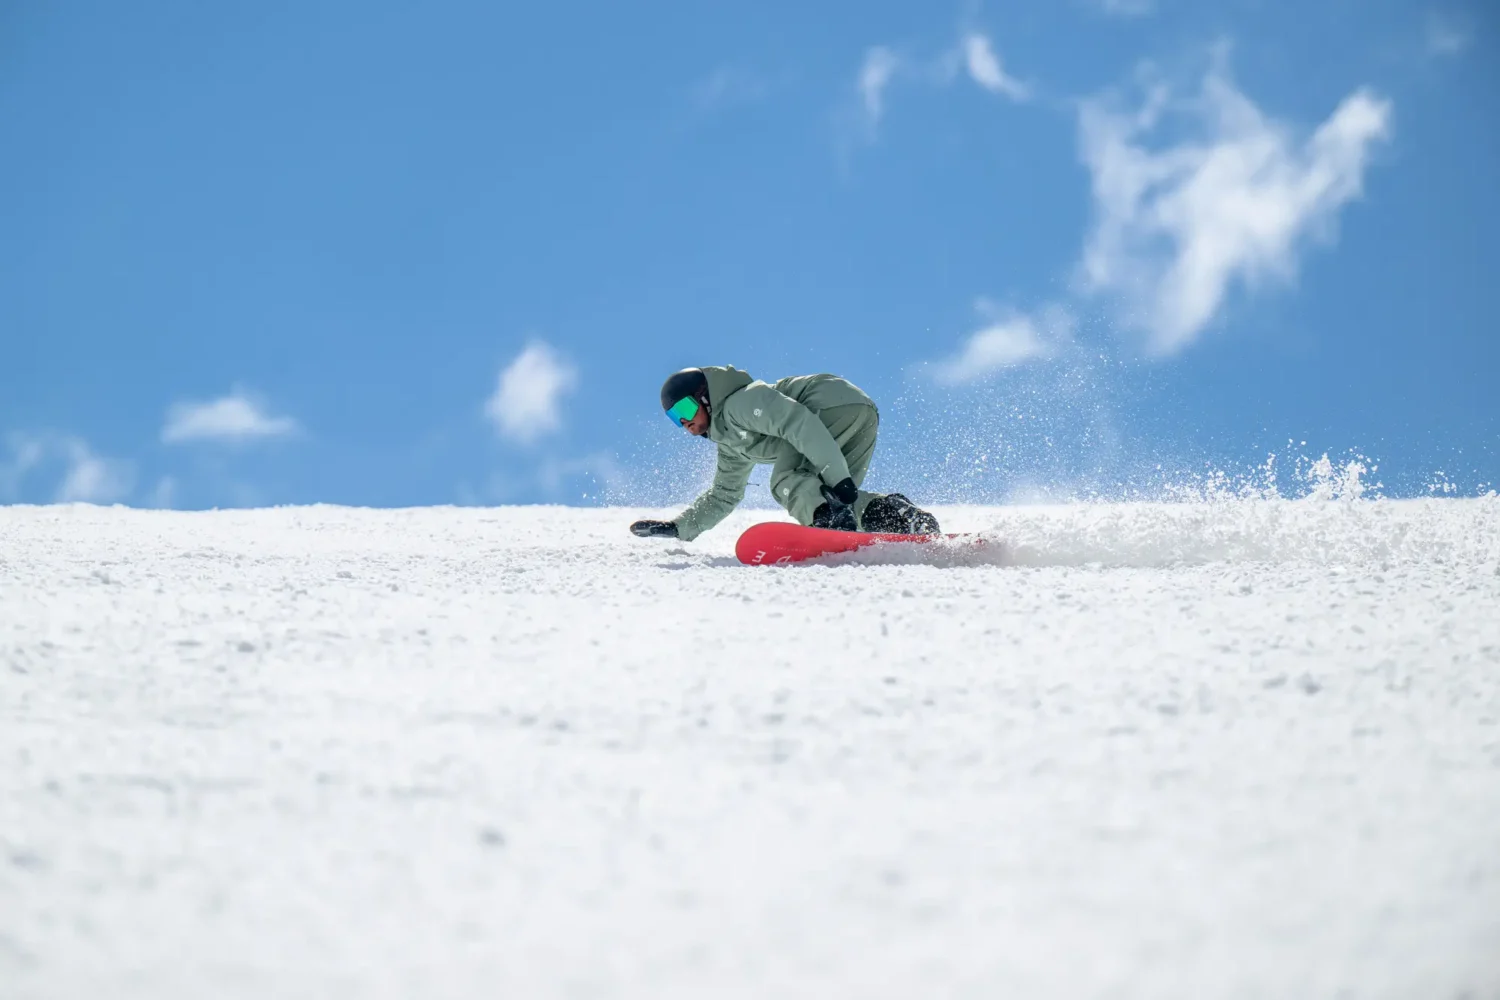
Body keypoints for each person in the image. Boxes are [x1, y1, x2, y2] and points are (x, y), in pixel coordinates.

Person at [629, 366, 940, 542]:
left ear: (704, 396)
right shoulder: (730, 445)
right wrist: (680, 527)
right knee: (832, 495)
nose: (685, 423)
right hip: (859, 412)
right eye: (675, 418)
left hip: (828, 406)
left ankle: (829, 524)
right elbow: (723, 495)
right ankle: (897, 515)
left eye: (684, 408)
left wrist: (838, 476)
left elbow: (797, 421)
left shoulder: (740, 403)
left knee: (786, 482)